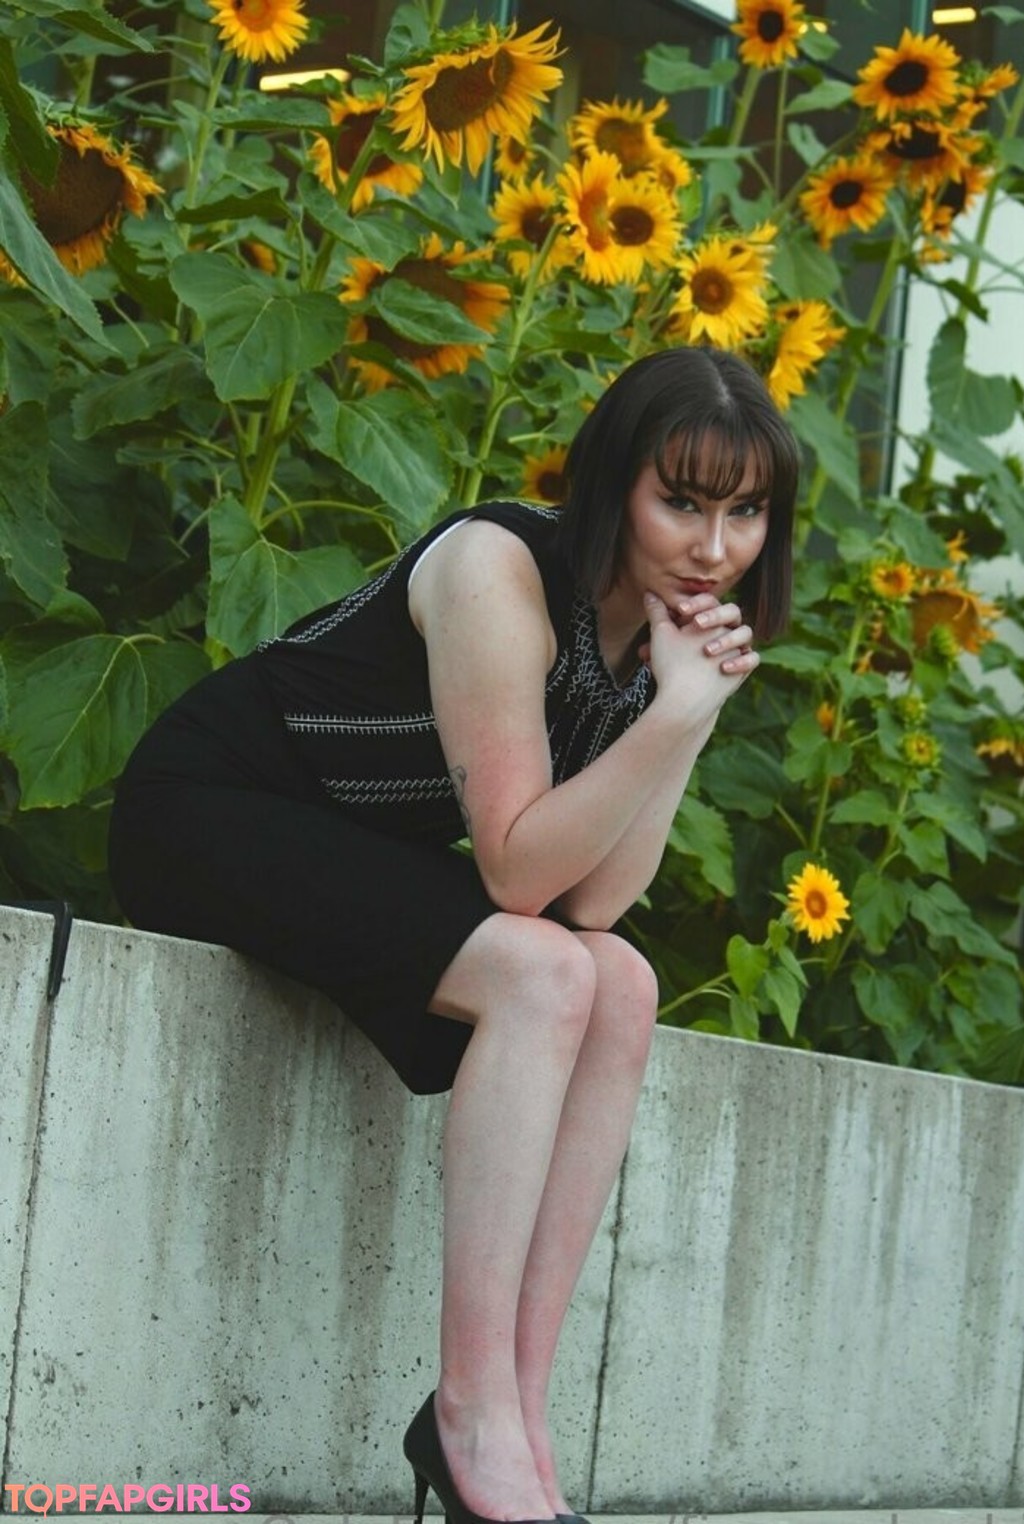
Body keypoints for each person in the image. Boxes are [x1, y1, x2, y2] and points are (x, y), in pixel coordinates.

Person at [108, 344, 798, 1524]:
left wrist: (683, 715)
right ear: (614, 482)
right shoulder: (499, 571)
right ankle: (469, 1406)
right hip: (209, 811)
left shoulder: (658, 629)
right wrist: (668, 717)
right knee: (541, 976)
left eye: (744, 513)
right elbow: (522, 874)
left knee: (622, 985)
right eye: (681, 502)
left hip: (351, 849)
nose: (713, 546)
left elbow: (598, 902)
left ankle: (517, 1414)